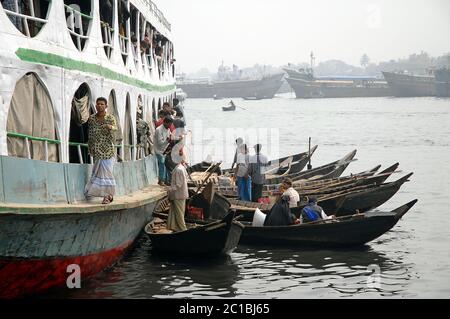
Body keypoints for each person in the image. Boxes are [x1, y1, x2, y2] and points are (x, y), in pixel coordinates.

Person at [84, 97, 118, 204]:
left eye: (102, 104)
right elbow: (90, 135)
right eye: (98, 104)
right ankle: (102, 194)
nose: (99, 106)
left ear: (106, 106)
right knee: (98, 173)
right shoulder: (92, 119)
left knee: (107, 174)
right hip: (97, 151)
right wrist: (90, 148)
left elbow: (115, 128)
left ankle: (107, 196)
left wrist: (110, 127)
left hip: (108, 151)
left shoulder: (110, 118)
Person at [167, 151, 189, 232]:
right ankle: (175, 228)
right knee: (177, 213)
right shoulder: (181, 167)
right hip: (180, 195)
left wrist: (169, 189)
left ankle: (183, 230)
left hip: (178, 195)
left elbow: (178, 184)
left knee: (179, 215)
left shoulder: (178, 169)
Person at [154, 116, 173, 185]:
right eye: (169, 124)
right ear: (165, 123)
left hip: (165, 150)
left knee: (167, 164)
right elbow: (160, 143)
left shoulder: (168, 129)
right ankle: (161, 180)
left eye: (171, 125)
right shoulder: (158, 130)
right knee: (162, 163)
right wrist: (168, 140)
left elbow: (170, 136)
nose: (170, 126)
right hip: (158, 150)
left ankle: (166, 180)